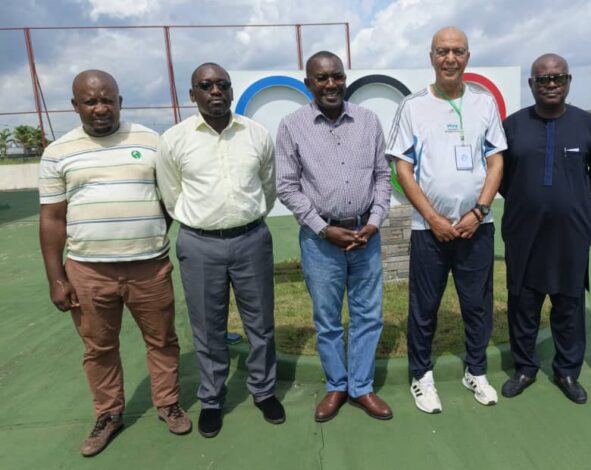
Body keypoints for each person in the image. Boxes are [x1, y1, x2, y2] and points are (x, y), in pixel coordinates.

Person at [39, 70, 191, 457]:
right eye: (90, 101)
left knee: (162, 340)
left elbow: (168, 199)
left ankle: (168, 403)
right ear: (76, 106)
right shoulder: (58, 152)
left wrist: (151, 231)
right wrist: (57, 278)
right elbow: (53, 219)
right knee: (99, 347)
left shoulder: (151, 141)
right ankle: (108, 414)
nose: (100, 108)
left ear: (121, 101)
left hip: (150, 268)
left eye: (108, 99)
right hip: (89, 271)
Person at [156, 62, 284, 437]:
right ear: (192, 94)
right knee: (208, 327)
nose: (216, 91)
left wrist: (246, 219)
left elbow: (268, 186)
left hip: (251, 240)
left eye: (222, 84)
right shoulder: (175, 139)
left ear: (230, 91)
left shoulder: (256, 134)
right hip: (199, 244)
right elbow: (171, 194)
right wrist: (202, 222)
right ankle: (212, 398)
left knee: (260, 323)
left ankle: (263, 390)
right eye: (206, 85)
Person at [387, 27, 506, 414]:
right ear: (431, 57)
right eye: (442, 51)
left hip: (477, 227)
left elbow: (495, 161)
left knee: (477, 305)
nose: (450, 59)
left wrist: (479, 211)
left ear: (468, 56)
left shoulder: (484, 103)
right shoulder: (412, 106)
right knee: (424, 308)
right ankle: (421, 376)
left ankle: (476, 370)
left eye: (457, 51)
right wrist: (432, 217)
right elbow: (402, 169)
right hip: (428, 230)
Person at [275, 51, 393, 422]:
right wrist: (323, 228)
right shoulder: (292, 126)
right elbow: (286, 186)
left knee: (368, 316)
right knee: (327, 319)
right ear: (309, 84)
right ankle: (336, 386)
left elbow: (382, 177)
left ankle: (361, 387)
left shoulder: (368, 121)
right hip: (320, 239)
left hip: (366, 235)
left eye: (336, 76)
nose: (330, 84)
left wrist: (374, 221)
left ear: (344, 78)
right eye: (321, 78)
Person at [499, 54, 591, 404]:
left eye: (558, 78)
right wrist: (529, 200)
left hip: (571, 233)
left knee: (569, 305)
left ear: (568, 82)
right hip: (523, 232)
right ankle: (525, 368)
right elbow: (499, 178)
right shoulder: (512, 126)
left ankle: (566, 371)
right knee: (523, 302)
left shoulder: (587, 126)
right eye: (543, 79)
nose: (550, 84)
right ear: (531, 84)